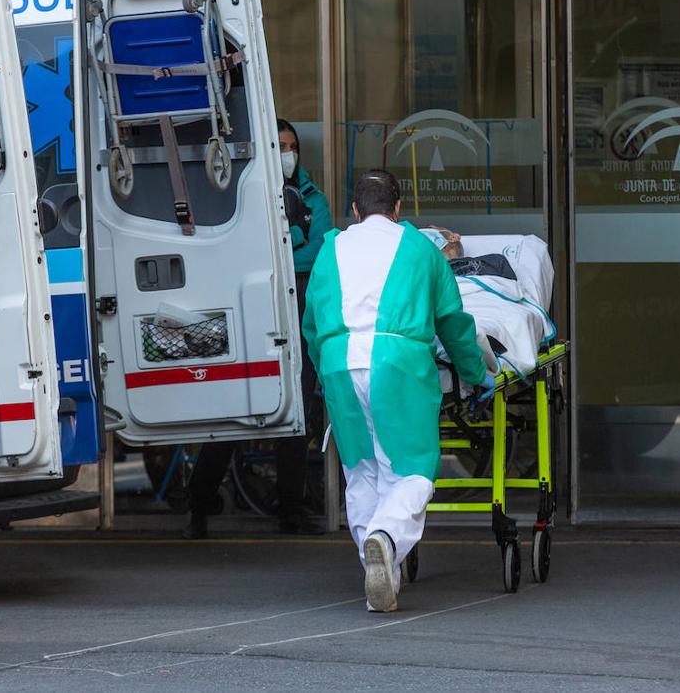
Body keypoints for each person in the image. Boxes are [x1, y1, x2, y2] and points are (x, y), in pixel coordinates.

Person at [302, 170, 494, 612]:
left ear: (354, 210)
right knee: (411, 471)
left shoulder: (331, 248)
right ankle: (385, 538)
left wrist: (325, 378)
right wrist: (476, 372)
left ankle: (380, 576)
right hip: (398, 362)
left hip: (338, 361)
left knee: (362, 470)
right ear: (398, 208)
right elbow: (452, 322)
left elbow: (311, 327)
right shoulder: (420, 250)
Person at [182, 119, 334, 539]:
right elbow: (240, 251)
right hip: (251, 311)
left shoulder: (313, 198)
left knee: (297, 415)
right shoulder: (241, 196)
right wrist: (287, 245)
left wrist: (276, 248)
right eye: (279, 145)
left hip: (299, 310)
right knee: (234, 412)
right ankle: (199, 503)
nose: (287, 152)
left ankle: (291, 509)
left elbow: (315, 256)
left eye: (292, 145)